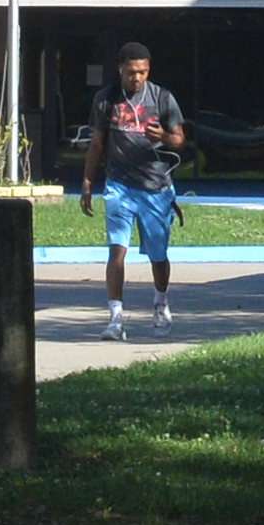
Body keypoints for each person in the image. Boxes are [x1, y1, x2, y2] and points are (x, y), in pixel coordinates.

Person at [79, 43, 186, 340]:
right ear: (120, 69)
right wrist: (88, 181)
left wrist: (163, 136)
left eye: (143, 72)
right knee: (117, 250)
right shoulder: (107, 99)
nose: (137, 78)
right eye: (131, 72)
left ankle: (160, 303)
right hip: (119, 185)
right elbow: (98, 144)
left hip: (155, 187)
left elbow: (179, 141)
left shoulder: (162, 98)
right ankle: (116, 318)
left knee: (158, 255)